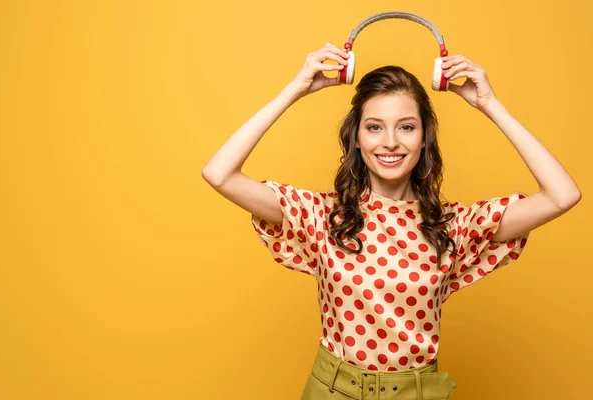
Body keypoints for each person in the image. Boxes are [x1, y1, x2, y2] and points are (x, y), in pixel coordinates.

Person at [201, 42, 581, 399]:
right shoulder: (321, 215)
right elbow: (220, 173)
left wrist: (490, 104)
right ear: (357, 137)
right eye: (374, 126)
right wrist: (295, 90)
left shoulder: (454, 227)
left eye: (406, 126)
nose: (390, 142)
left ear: (424, 138)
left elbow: (562, 195)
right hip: (333, 389)